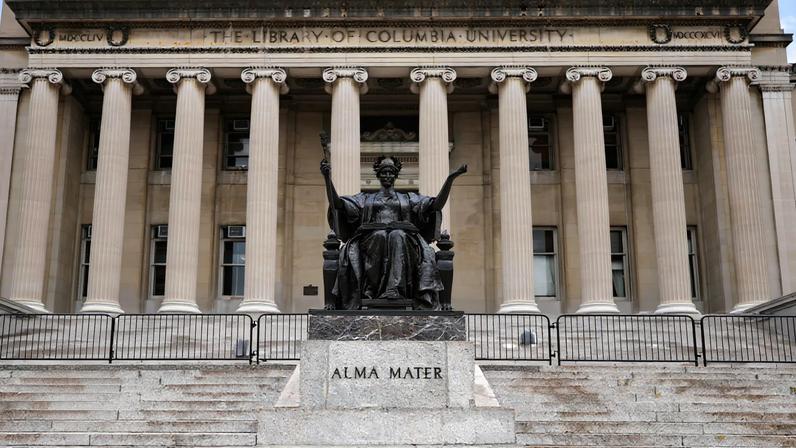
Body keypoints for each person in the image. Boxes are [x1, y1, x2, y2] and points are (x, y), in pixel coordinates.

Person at [321, 156, 467, 310]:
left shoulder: (408, 199)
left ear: (396, 175)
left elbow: (435, 205)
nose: (387, 176)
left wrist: (450, 178)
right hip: (370, 239)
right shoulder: (365, 199)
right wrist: (327, 178)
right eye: (384, 172)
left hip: (404, 240)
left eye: (391, 172)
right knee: (380, 235)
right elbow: (337, 204)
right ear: (378, 174)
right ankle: (371, 289)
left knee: (397, 235)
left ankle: (394, 289)